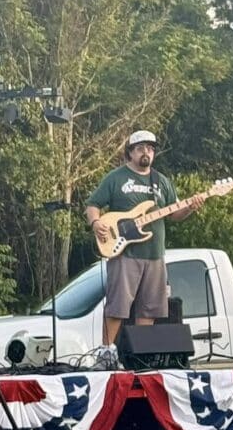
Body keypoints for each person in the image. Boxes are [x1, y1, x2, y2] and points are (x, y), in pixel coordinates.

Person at [85, 129, 207, 349]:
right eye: (141, 148)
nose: (146, 152)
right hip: (125, 253)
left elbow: (174, 214)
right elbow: (93, 204)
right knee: (117, 307)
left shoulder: (161, 181)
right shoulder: (116, 178)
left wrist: (191, 207)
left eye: (150, 149)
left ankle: (141, 352)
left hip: (155, 254)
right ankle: (106, 351)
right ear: (130, 152)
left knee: (150, 308)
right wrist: (96, 223)